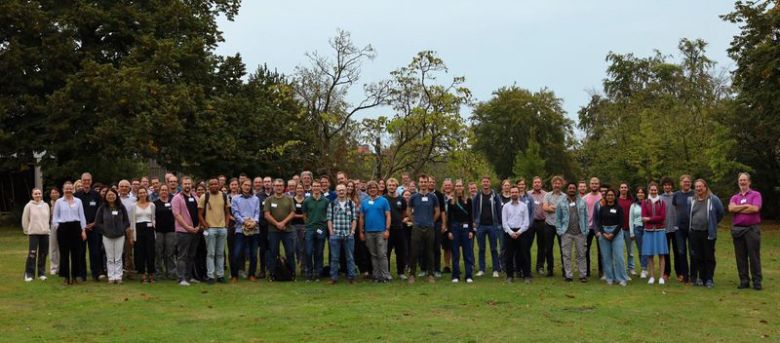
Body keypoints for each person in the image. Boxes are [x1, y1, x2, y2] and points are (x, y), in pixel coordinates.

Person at [728, 172, 762, 290]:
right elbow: (731, 208)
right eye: (740, 180)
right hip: (738, 230)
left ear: (749, 182)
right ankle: (744, 281)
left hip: (752, 229)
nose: (742, 182)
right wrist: (747, 206)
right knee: (740, 257)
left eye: (744, 180)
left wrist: (739, 209)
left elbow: (755, 208)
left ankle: (757, 281)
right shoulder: (735, 197)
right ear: (738, 182)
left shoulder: (756, 194)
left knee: (754, 256)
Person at [688, 179, 724, 288]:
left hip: (708, 233)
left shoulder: (713, 199)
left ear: (705, 187)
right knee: (697, 256)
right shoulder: (692, 200)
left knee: (708, 256)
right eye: (696, 187)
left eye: (700, 186)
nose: (698, 188)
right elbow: (690, 214)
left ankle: (709, 279)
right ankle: (701, 278)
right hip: (694, 232)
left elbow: (721, 212)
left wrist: (713, 223)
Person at [52, 181, 88, 285]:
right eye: (66, 188)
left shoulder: (78, 201)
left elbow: (82, 216)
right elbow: (55, 218)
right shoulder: (59, 202)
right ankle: (66, 277)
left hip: (76, 228)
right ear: (63, 190)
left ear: (73, 189)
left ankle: (76, 276)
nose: (68, 190)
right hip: (63, 228)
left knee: (76, 254)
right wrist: (58, 227)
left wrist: (83, 230)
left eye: (70, 188)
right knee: (64, 254)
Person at [406, 175, 440, 284]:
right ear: (418, 183)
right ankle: (412, 274)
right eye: (421, 182)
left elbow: (437, 212)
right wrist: (414, 221)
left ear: (428, 183)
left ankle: (430, 274)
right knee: (414, 251)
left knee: (430, 251)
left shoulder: (433, 197)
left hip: (429, 227)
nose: (423, 184)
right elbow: (408, 211)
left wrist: (431, 222)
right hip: (417, 227)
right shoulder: (413, 197)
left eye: (425, 182)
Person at [94, 188, 131, 284]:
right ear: (106, 196)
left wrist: (121, 229)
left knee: (118, 257)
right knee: (110, 257)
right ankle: (111, 276)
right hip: (107, 236)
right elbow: (98, 223)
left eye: (113, 195)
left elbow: (126, 221)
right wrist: (105, 230)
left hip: (120, 235)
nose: (111, 196)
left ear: (116, 196)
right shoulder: (102, 208)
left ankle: (118, 276)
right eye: (109, 195)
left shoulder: (121, 207)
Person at [198, 178, 230, 284]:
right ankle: (211, 276)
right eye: (211, 184)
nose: (214, 186)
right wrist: (206, 226)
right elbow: (200, 214)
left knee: (220, 254)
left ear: (219, 185)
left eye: (215, 184)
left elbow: (227, 212)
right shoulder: (204, 196)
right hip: (210, 229)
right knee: (210, 254)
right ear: (208, 186)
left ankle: (220, 275)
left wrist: (226, 225)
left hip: (222, 229)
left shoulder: (224, 196)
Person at [556, 182, 589, 282]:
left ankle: (583, 275)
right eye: (570, 188)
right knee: (566, 255)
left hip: (580, 232)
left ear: (576, 189)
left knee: (581, 255)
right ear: (567, 190)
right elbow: (558, 218)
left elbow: (586, 217)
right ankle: (568, 275)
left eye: (573, 188)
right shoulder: (561, 202)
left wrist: (586, 230)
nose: (572, 190)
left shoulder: (582, 202)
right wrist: (559, 230)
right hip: (566, 232)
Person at [359, 181, 392, 282]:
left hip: (381, 231)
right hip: (369, 232)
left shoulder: (383, 201)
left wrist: (387, 229)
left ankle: (385, 275)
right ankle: (377, 276)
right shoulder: (364, 202)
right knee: (373, 255)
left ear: (377, 189)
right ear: (368, 190)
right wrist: (361, 231)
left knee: (382, 254)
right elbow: (361, 218)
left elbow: (388, 216)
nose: (372, 190)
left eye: (374, 188)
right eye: (370, 188)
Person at [264, 178, 296, 281]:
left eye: (280, 185)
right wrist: (277, 224)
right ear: (273, 186)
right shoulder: (269, 199)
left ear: (284, 187)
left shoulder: (289, 198)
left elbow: (292, 213)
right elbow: (266, 214)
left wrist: (283, 223)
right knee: (273, 253)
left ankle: (292, 274)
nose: (278, 187)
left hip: (287, 230)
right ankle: (272, 274)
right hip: (273, 231)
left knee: (290, 252)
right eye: (277, 185)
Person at [442, 179, 474, 283]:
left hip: (466, 228)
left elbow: (470, 217)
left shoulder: (468, 200)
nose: (459, 188)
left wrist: (471, 230)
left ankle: (468, 275)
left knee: (467, 253)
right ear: (454, 188)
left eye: (460, 186)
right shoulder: (451, 201)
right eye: (457, 186)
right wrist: (449, 231)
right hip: (455, 228)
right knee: (455, 253)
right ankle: (455, 276)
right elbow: (449, 217)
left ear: (463, 187)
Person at [75, 172, 104, 282]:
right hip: (81, 229)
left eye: (88, 180)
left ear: (91, 181)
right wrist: (82, 226)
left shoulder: (96, 195)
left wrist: (95, 223)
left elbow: (100, 211)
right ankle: (82, 275)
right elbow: (74, 211)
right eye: (84, 180)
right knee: (81, 252)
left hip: (94, 228)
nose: (86, 182)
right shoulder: (76, 195)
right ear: (81, 181)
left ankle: (95, 274)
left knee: (95, 252)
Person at [595, 189, 628, 286]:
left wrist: (613, 233)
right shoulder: (602, 208)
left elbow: (621, 223)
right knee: (606, 257)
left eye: (612, 195)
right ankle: (609, 277)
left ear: (614, 196)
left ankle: (621, 278)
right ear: (606, 197)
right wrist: (604, 233)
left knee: (619, 256)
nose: (610, 197)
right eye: (608, 195)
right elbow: (598, 222)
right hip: (604, 233)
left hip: (616, 233)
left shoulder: (619, 208)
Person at [172, 177, 200, 286]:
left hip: (195, 231)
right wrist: (187, 227)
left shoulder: (196, 197)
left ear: (191, 185)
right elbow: (177, 215)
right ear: (181, 185)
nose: (187, 186)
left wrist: (198, 226)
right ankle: (181, 278)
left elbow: (199, 213)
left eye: (189, 184)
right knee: (182, 256)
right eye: (185, 184)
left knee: (191, 255)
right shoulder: (177, 198)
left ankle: (189, 277)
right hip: (183, 231)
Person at [231, 179, 260, 283]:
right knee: (237, 253)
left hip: (254, 229)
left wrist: (254, 222)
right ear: (241, 186)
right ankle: (234, 275)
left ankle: (251, 274)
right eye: (245, 185)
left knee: (253, 254)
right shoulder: (235, 198)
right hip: (240, 229)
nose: (247, 187)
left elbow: (257, 212)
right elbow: (235, 213)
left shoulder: (255, 199)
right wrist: (245, 222)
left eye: (249, 185)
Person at [327, 184, 358, 284]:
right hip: (335, 234)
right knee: (335, 258)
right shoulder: (331, 204)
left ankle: (351, 278)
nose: (341, 192)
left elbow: (354, 219)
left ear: (346, 191)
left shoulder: (351, 204)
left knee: (350, 258)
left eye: (343, 190)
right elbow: (329, 220)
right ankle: (333, 278)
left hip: (348, 234)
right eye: (339, 190)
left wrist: (352, 231)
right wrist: (331, 232)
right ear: (336, 192)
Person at [472, 176, 502, 278]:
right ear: (481, 183)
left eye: (487, 182)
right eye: (484, 182)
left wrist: (499, 223)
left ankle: (495, 269)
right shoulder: (477, 196)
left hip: (492, 226)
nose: (485, 183)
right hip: (480, 226)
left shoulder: (495, 195)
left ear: (490, 183)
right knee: (481, 248)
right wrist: (474, 221)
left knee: (494, 248)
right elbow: (473, 209)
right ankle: (481, 269)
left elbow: (499, 210)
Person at [501, 186, 530, 283]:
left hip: (521, 232)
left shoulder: (524, 206)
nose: (514, 194)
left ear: (518, 193)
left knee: (524, 255)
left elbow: (526, 222)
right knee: (508, 255)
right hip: (509, 233)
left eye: (516, 192)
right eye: (512, 192)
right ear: (510, 193)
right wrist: (511, 233)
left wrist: (519, 232)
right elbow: (504, 222)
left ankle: (526, 275)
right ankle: (509, 276)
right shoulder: (506, 206)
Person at [641, 182, 668, 285]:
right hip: (648, 231)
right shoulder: (645, 202)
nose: (653, 191)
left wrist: (650, 219)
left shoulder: (662, 202)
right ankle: (652, 276)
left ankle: (661, 277)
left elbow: (662, 217)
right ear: (649, 190)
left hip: (660, 230)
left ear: (657, 190)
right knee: (650, 255)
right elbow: (643, 217)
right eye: (651, 190)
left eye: (655, 190)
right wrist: (650, 219)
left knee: (661, 254)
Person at [302, 181, 329, 282]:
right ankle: (309, 273)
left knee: (319, 252)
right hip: (310, 229)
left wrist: (324, 224)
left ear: (321, 188)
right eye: (314, 186)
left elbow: (328, 214)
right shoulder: (307, 201)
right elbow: (304, 214)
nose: (316, 188)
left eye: (318, 186)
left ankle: (318, 273)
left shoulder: (325, 201)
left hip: (321, 229)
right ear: (312, 188)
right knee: (308, 252)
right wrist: (308, 223)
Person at [22, 188, 51, 281]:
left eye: (39, 193)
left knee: (43, 253)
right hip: (33, 233)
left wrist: (47, 229)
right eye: (35, 194)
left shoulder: (46, 205)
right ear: (32, 195)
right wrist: (27, 230)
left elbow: (48, 218)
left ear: (41, 194)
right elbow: (25, 219)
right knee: (32, 254)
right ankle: (29, 274)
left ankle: (41, 273)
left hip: (45, 233)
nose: (37, 195)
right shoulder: (29, 206)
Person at [672, 175, 694, 283]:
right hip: (679, 228)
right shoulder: (676, 195)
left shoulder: (695, 194)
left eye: (688, 182)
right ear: (681, 183)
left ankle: (694, 275)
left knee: (693, 252)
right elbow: (676, 208)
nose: (686, 183)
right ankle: (685, 276)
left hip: (692, 227)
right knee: (681, 252)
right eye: (684, 182)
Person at [384, 178, 409, 280]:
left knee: (400, 252)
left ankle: (401, 272)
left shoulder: (401, 199)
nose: (391, 187)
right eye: (390, 185)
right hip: (388, 229)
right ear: (387, 186)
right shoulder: (383, 199)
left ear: (396, 186)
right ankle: (387, 272)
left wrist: (402, 220)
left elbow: (404, 213)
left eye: (393, 185)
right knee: (387, 252)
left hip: (399, 229)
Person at [131, 187, 156, 283]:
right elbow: (132, 221)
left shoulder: (152, 205)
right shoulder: (134, 206)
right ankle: (142, 274)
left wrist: (154, 230)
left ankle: (151, 273)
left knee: (150, 253)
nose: (142, 194)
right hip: (138, 229)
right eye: (140, 193)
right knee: (140, 253)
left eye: (144, 192)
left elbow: (153, 218)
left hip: (149, 229)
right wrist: (133, 235)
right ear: (137, 194)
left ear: (147, 194)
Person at [542, 176, 566, 277]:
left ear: (561, 185)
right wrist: (554, 208)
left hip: (561, 226)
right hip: (549, 225)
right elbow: (545, 207)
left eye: (558, 183)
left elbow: (566, 210)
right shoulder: (547, 195)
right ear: (552, 184)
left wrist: (552, 207)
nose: (556, 185)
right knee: (548, 248)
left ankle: (565, 270)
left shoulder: (565, 196)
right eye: (555, 183)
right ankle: (550, 269)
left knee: (563, 249)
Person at [153, 184, 177, 280]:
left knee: (170, 252)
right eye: (162, 190)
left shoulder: (173, 202)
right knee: (158, 252)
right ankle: (159, 273)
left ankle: (171, 273)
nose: (164, 191)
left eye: (165, 190)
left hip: (171, 230)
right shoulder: (155, 203)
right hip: (158, 231)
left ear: (168, 191)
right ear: (159, 191)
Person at [582, 177, 603, 278]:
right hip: (588, 227)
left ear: (599, 185)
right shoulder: (585, 198)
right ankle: (587, 271)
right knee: (586, 250)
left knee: (601, 250)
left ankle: (601, 271)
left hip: (599, 228)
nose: (594, 185)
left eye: (596, 183)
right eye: (592, 184)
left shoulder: (603, 197)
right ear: (589, 185)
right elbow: (581, 213)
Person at [659, 178, 679, 282]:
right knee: (665, 252)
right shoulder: (659, 198)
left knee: (678, 252)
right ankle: (666, 273)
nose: (667, 187)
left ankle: (679, 273)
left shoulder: (676, 196)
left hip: (676, 229)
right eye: (665, 185)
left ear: (672, 186)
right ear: (663, 186)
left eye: (669, 185)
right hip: (664, 229)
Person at [529, 177, 548, 275]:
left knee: (542, 246)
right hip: (530, 223)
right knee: (527, 245)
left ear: (541, 184)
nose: (537, 184)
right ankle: (527, 266)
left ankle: (540, 266)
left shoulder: (546, 195)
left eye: (538, 182)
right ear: (532, 184)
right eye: (535, 182)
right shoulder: (528, 194)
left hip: (542, 222)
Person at [118, 180, 136, 276]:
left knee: (128, 251)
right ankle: (118, 271)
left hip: (129, 228)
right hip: (117, 228)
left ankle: (129, 271)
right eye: (122, 186)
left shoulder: (134, 199)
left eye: (126, 186)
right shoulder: (114, 198)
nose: (124, 188)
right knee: (118, 251)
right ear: (118, 187)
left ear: (129, 188)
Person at [629, 187, 649, 278]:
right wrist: (631, 232)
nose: (640, 194)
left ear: (645, 194)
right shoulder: (634, 205)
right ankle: (643, 269)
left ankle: (645, 268)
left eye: (642, 192)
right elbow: (631, 219)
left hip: (647, 228)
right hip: (637, 228)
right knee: (641, 249)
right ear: (636, 194)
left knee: (646, 249)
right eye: (638, 192)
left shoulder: (649, 203)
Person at [617, 182, 635, 276]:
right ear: (619, 189)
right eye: (622, 187)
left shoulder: (631, 200)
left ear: (627, 189)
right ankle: (621, 268)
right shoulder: (616, 200)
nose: (623, 189)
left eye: (625, 187)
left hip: (629, 229)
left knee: (630, 251)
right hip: (619, 229)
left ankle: (631, 268)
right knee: (619, 250)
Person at [291, 183, 307, 276]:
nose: (300, 189)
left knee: (303, 248)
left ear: (303, 189)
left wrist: (298, 215)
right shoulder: (291, 200)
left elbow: (308, 214)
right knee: (292, 247)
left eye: (301, 188)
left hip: (304, 226)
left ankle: (303, 268)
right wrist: (303, 215)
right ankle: (292, 268)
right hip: (293, 226)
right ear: (295, 189)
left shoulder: (306, 200)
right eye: (298, 188)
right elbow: (291, 214)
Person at [48, 187, 61, 276]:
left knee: (61, 248)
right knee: (53, 248)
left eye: (56, 192)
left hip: (62, 226)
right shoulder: (48, 205)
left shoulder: (63, 203)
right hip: (52, 226)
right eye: (52, 193)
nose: (54, 194)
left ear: (59, 194)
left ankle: (61, 267)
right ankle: (54, 268)